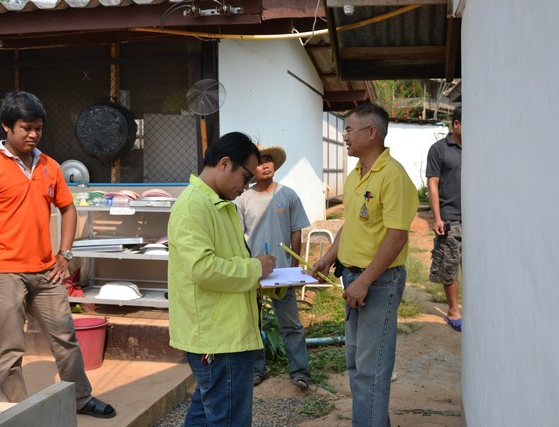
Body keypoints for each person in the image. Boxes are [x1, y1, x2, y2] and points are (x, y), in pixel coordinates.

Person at [0, 91, 116, 419]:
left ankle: (80, 398)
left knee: (65, 337)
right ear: (7, 126)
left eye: (38, 128)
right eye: (26, 128)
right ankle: (14, 409)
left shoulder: (50, 166)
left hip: (46, 270)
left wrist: (65, 253)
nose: (33, 134)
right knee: (10, 346)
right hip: (5, 272)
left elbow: (68, 208)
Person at [310, 103, 418, 427]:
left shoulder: (393, 176)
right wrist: (328, 258)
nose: (344, 136)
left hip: (378, 283)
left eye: (348, 130)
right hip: (355, 280)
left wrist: (365, 281)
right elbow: (352, 225)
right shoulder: (356, 175)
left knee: (371, 371)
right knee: (358, 367)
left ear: (371, 132)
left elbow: (396, 237)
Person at [167, 132, 277, 426]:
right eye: (245, 177)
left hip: (225, 333)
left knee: (207, 413)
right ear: (225, 163)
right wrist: (255, 268)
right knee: (228, 419)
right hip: (219, 340)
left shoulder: (216, 202)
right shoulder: (194, 206)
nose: (246, 186)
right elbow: (203, 268)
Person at [235, 144, 312, 390]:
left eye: (268, 160)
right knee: (253, 323)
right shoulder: (243, 199)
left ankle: (300, 372)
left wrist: (294, 268)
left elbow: (296, 232)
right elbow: (239, 237)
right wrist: (247, 268)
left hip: (282, 274)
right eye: (259, 162)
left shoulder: (288, 195)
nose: (265, 165)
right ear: (251, 169)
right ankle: (257, 369)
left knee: (291, 324)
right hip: (254, 272)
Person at [426, 106, 462, 332]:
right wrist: (437, 218)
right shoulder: (439, 149)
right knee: (449, 265)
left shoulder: (477, 148)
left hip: (475, 218)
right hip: (450, 217)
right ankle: (453, 310)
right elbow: (433, 184)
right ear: (456, 124)